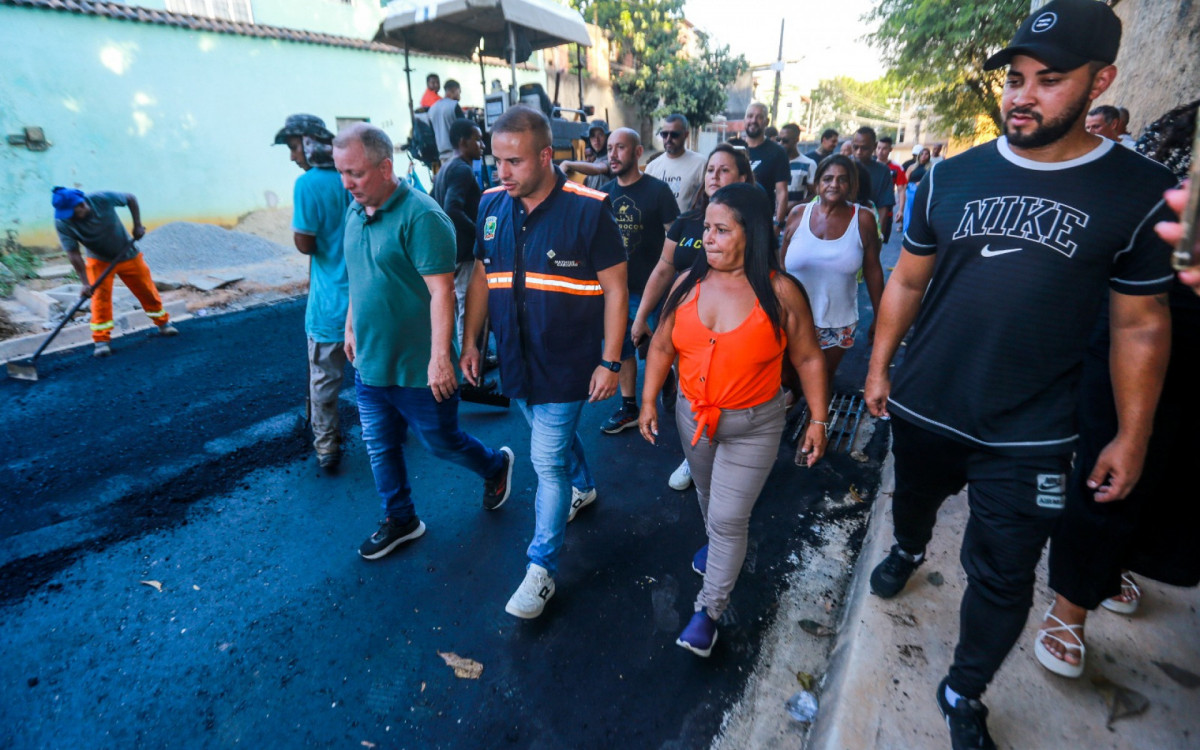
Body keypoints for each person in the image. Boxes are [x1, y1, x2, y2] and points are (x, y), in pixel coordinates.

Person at [862, 1, 1175, 747]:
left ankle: (963, 689)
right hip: (929, 404)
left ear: (1102, 80)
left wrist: (1133, 436)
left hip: (1033, 432)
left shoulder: (1150, 193)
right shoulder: (951, 176)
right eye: (1016, 80)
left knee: (1004, 578)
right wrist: (880, 366)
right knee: (914, 503)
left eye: (1049, 80)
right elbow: (906, 283)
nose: (1022, 96)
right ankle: (907, 548)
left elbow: (1144, 323)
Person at [1036, 105, 1200, 680]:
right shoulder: (1153, 163)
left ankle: (1117, 564)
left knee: (1171, 467)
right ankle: (1071, 607)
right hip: (1147, 307)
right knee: (1115, 456)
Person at [638, 182, 830, 657]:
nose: (710, 238)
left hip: (755, 425)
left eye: (722, 230)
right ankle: (719, 549)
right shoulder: (687, 285)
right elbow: (661, 347)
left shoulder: (781, 293)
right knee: (707, 496)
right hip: (693, 419)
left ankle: (708, 612)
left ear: (753, 232)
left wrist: (818, 420)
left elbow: (808, 359)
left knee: (727, 517)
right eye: (707, 228)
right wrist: (646, 403)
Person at [460, 106, 628, 619]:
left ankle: (541, 569)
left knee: (545, 462)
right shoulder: (491, 204)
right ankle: (586, 486)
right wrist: (470, 343)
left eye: (513, 162)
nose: (501, 172)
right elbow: (482, 278)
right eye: (496, 161)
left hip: (568, 363)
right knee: (547, 438)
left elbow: (618, 291)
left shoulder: (589, 209)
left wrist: (610, 361)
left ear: (545, 156)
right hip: (515, 361)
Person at [332, 123, 515, 561]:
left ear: (385, 167)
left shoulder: (422, 216)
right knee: (379, 444)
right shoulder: (353, 212)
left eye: (355, 173)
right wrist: (350, 325)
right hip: (372, 363)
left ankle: (496, 465)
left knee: (441, 441)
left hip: (420, 367)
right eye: (342, 172)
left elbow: (441, 292)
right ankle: (401, 519)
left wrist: (440, 358)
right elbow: (359, 277)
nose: (346, 183)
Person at [633, 143, 758, 492]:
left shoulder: (755, 226)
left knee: (729, 399)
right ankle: (696, 456)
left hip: (733, 334)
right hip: (686, 332)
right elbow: (663, 270)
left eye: (724, 170)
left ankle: (740, 457)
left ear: (743, 178)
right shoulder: (688, 221)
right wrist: (641, 316)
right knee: (688, 397)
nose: (714, 176)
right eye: (710, 170)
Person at [275, 113, 351, 470]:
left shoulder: (307, 185)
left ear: (308, 143)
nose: (292, 157)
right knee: (375, 376)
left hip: (330, 306)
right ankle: (389, 434)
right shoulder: (354, 177)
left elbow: (305, 244)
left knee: (323, 379)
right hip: (367, 302)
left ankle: (327, 447)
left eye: (293, 148)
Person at [597, 128, 680, 434]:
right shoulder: (605, 194)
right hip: (617, 292)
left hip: (655, 291)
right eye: (609, 149)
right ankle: (629, 407)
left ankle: (672, 382)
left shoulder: (658, 191)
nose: (613, 154)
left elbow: (676, 238)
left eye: (620, 147)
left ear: (637, 152)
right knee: (622, 350)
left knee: (664, 345)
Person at [781, 154, 883, 384]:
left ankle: (817, 420)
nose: (834, 184)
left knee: (821, 379)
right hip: (792, 317)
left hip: (837, 322)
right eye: (827, 178)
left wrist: (880, 316)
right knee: (787, 379)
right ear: (817, 183)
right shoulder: (798, 214)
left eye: (842, 179)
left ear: (851, 185)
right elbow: (781, 267)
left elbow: (874, 271)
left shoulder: (863, 219)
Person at [52, 188, 178, 358]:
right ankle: (101, 341)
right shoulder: (63, 222)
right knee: (100, 299)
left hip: (128, 254)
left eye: (71, 213)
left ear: (81, 205)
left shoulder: (102, 199)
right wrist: (85, 283)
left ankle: (163, 324)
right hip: (98, 261)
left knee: (146, 290)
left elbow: (131, 198)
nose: (69, 218)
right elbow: (73, 253)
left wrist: (137, 225)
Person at [432, 118, 485, 347]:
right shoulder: (462, 170)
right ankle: (467, 367)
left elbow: (434, 204)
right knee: (467, 304)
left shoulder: (445, 168)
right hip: (464, 251)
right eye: (478, 139)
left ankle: (458, 359)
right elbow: (451, 209)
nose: (482, 145)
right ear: (463, 142)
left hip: (449, 250)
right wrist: (479, 234)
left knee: (454, 306)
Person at [645, 114, 707, 213]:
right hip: (657, 227)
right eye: (664, 134)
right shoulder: (652, 167)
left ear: (686, 135)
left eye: (674, 135)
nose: (668, 139)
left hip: (687, 226)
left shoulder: (700, 163)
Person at [743, 102, 790, 229]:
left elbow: (782, 192)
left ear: (766, 121)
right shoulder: (734, 148)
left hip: (762, 223)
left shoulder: (777, 152)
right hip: (732, 219)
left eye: (759, 117)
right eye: (750, 116)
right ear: (745, 119)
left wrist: (777, 225)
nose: (753, 120)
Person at [851, 126, 893, 219]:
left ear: (874, 146)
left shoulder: (883, 171)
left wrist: (879, 233)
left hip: (870, 222)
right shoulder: (841, 166)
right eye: (855, 147)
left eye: (864, 148)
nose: (859, 152)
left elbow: (883, 207)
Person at [559, 119, 612, 190]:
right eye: (593, 136)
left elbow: (598, 168)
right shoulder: (596, 161)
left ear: (607, 138)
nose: (596, 139)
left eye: (600, 134)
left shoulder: (610, 158)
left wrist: (567, 164)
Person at [778, 123, 817, 210]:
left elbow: (815, 194)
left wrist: (795, 206)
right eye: (779, 139)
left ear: (797, 139)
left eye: (785, 140)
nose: (781, 143)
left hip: (797, 217)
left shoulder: (809, 164)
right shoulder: (774, 162)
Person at [877, 136, 907, 243]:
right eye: (878, 148)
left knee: (879, 243)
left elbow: (901, 189)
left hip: (885, 212)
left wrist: (900, 210)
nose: (881, 151)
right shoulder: (869, 165)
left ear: (890, 149)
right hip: (867, 209)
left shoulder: (897, 168)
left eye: (884, 148)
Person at [428, 79, 465, 164]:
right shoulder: (454, 105)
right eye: (459, 91)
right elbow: (465, 129)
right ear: (454, 90)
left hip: (441, 156)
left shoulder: (432, 109)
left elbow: (432, 133)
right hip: (456, 154)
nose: (459, 95)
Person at [902, 146, 931, 236]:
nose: (924, 156)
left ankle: (919, 232)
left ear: (929, 156)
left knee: (921, 212)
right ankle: (906, 232)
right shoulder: (912, 167)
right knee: (909, 210)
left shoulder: (930, 167)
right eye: (922, 153)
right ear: (919, 155)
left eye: (926, 154)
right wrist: (903, 193)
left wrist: (922, 182)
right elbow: (905, 181)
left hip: (923, 190)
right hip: (911, 190)